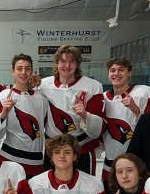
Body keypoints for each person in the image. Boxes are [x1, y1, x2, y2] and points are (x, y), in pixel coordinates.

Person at [91, 57, 150, 188]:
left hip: (137, 163)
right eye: (112, 70)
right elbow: (99, 131)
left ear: (129, 72)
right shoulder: (103, 98)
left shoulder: (144, 93)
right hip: (110, 164)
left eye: (121, 70)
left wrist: (136, 110)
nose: (116, 74)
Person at [38, 45, 106, 175]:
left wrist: (86, 115)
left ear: (77, 64)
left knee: (84, 189)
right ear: (57, 63)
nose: (67, 66)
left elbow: (98, 130)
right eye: (63, 61)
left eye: (72, 62)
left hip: (81, 149)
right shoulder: (43, 85)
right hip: (53, 150)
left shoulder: (92, 86)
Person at [0, 54, 49, 176]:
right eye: (19, 68)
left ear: (32, 71)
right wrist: (4, 113)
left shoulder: (41, 99)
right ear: (13, 72)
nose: (24, 72)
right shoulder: (1, 98)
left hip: (36, 161)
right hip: (10, 161)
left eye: (27, 68)